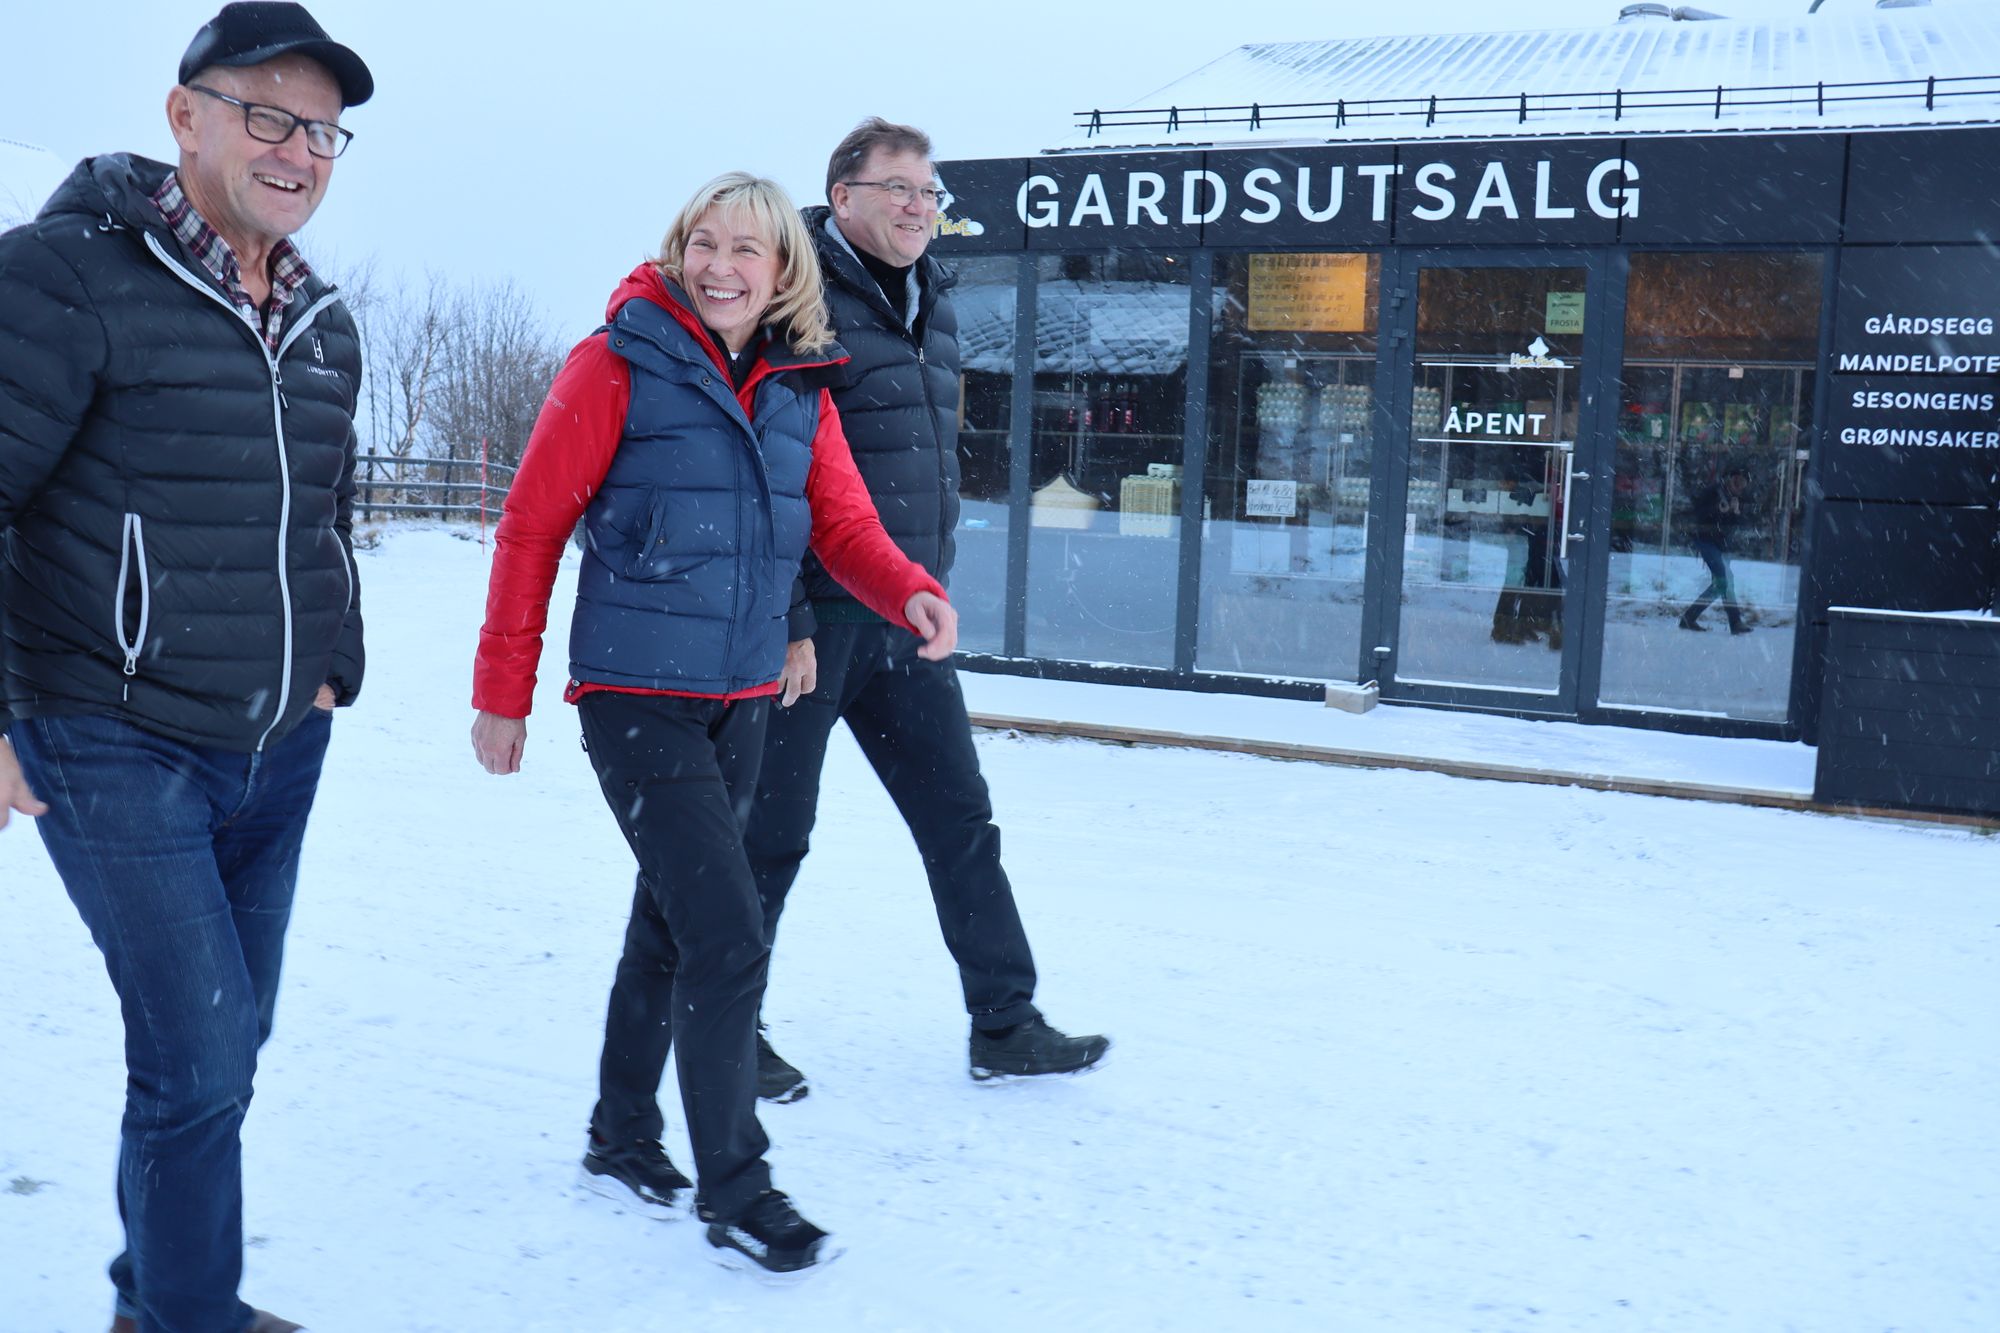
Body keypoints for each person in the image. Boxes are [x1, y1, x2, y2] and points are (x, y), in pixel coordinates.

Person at [469, 172, 957, 1277]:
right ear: (678, 251)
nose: (719, 265)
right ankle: (737, 1187)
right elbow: (530, 528)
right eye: (702, 242)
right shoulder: (615, 364)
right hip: (633, 696)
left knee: (669, 925)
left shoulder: (799, 385)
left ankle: (618, 1133)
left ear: (783, 270)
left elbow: (840, 522)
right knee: (729, 937)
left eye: (746, 249)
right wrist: (502, 691)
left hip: (739, 700)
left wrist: (906, 588)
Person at [0, 5, 371, 1329]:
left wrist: (336, 664)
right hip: (109, 734)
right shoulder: (63, 272)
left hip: (274, 747)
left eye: (322, 128)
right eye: (266, 112)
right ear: (186, 116)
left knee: (218, 1052)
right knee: (201, 1051)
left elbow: (323, 510)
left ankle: (151, 1295)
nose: (297, 147)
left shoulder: (323, 318)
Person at [743, 118, 1109, 1102]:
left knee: (960, 819)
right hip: (815, 621)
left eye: (928, 192)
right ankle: (726, 1028)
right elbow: (768, 470)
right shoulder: (794, 300)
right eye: (896, 188)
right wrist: (786, 619)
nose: (917, 207)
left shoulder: (934, 303)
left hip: (901, 616)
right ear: (843, 195)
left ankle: (1005, 1021)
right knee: (769, 835)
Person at [1679, 467, 1752, 635]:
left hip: (1716, 543)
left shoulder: (1733, 498)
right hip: (1705, 540)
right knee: (1723, 580)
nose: (1739, 487)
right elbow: (1699, 514)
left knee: (1725, 581)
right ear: (1729, 479)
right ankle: (1733, 622)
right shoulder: (1713, 492)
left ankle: (1692, 618)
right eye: (1737, 481)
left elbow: (1731, 525)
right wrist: (1718, 510)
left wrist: (1735, 513)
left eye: (1743, 484)